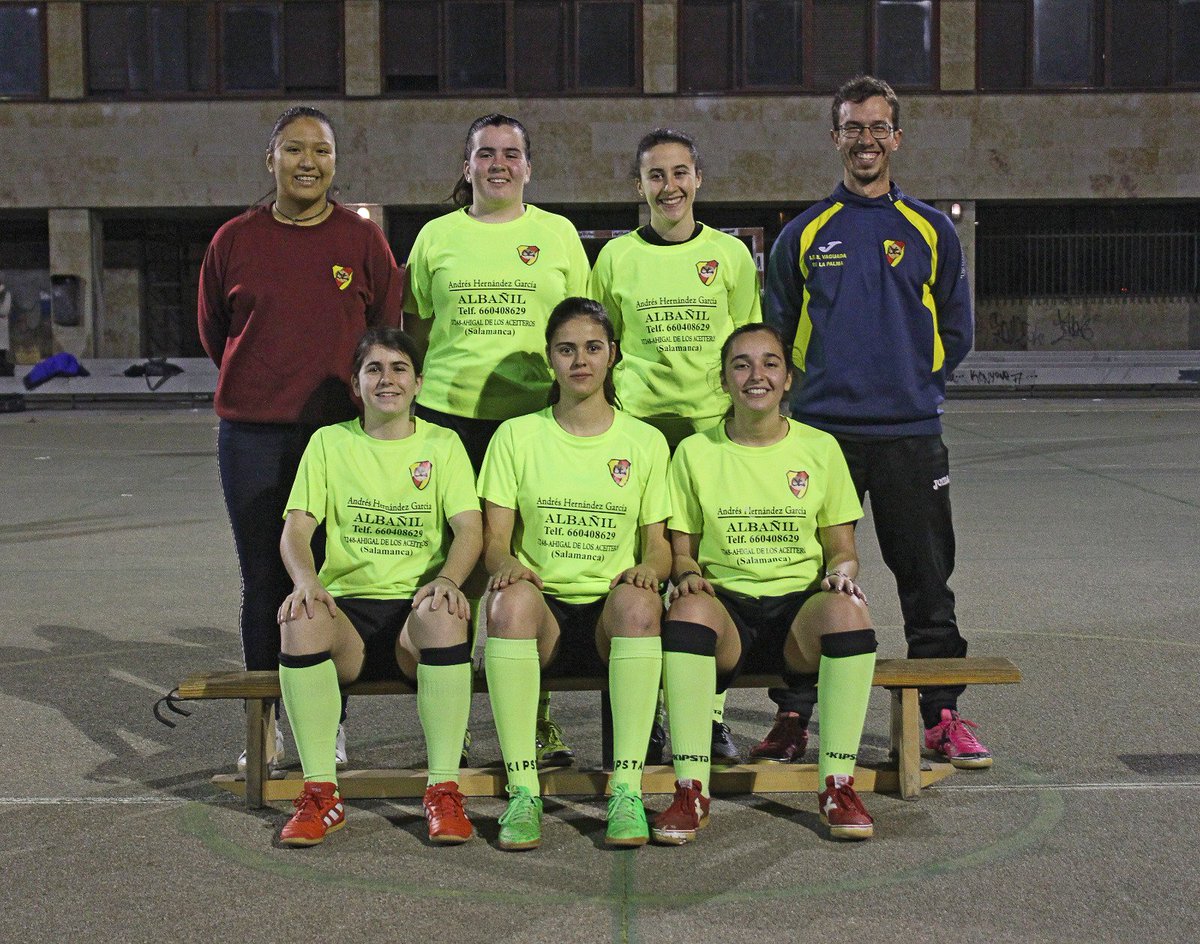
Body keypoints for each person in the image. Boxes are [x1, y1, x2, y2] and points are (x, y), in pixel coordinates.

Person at [764, 75, 989, 769]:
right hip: (819, 436)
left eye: (878, 128)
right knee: (799, 576)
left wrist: (915, 381)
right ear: (836, 138)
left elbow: (957, 325)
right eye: (853, 128)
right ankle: (795, 716)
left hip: (910, 435)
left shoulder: (929, 228)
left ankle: (940, 714)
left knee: (925, 576)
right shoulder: (804, 234)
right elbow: (776, 333)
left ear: (897, 137)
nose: (866, 140)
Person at [198, 106, 405, 771]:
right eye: (294, 149)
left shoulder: (362, 241)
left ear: (336, 163)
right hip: (253, 436)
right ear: (271, 160)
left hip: (339, 436)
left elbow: (385, 327)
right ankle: (265, 728)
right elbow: (214, 332)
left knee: (326, 579)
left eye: (321, 150)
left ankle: (325, 721)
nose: (308, 161)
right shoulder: (234, 238)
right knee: (264, 579)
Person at [405, 114, 591, 766]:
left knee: (525, 572)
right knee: (452, 573)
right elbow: (417, 331)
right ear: (466, 165)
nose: (499, 164)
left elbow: (580, 328)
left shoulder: (558, 236)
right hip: (451, 422)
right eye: (486, 153)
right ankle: (449, 729)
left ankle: (536, 724)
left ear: (529, 167)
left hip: (533, 421)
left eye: (512, 154)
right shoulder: (435, 238)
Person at [653, 323, 878, 843]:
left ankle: (837, 784)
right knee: (685, 611)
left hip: (796, 614)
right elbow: (682, 550)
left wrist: (842, 576)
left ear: (788, 377)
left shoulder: (820, 449)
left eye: (770, 363)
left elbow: (843, 549)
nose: (757, 375)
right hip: (727, 610)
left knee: (849, 611)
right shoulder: (694, 452)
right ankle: (690, 787)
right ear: (724, 380)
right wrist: (686, 574)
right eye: (741, 364)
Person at [589, 128, 762, 765]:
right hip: (638, 431)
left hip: (709, 432)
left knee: (701, 572)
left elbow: (745, 343)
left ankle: (705, 715)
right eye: (656, 176)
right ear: (639, 186)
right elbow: (603, 342)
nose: (670, 186)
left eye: (680, 173)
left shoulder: (731, 257)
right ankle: (643, 722)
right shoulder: (613, 260)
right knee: (636, 570)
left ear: (699, 180)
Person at [274, 327, 482, 847]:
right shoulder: (330, 442)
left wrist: (449, 579)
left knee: (446, 610)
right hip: (350, 622)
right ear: (356, 383)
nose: (386, 379)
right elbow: (296, 529)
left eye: (398, 369)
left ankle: (443, 791)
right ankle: (320, 793)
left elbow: (470, 529)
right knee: (298, 616)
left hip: (415, 621)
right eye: (374, 369)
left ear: (418, 383)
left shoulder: (443, 444)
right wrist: (305, 580)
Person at [477, 298, 670, 850]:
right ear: (550, 360)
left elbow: (659, 549)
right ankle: (523, 791)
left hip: (610, 611)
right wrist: (507, 564)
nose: (579, 360)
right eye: (566, 349)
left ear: (613, 354)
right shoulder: (516, 436)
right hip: (545, 613)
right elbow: (494, 543)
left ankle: (626, 790)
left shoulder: (646, 442)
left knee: (640, 603)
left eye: (591, 347)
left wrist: (647, 571)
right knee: (506, 601)